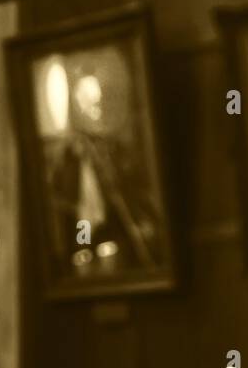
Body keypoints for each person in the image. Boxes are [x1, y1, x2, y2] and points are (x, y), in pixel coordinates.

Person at [47, 70, 162, 274]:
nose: (95, 109)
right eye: (88, 102)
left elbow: (129, 189)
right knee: (84, 250)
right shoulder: (67, 153)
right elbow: (62, 195)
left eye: (97, 101)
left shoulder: (111, 146)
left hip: (113, 231)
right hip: (83, 226)